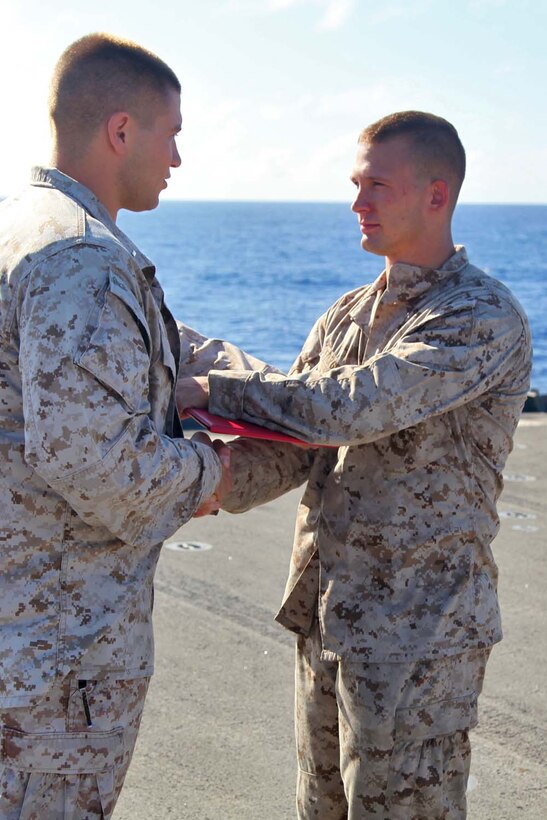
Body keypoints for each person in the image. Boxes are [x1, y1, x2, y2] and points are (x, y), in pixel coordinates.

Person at [178, 111, 532, 818]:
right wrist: (203, 482)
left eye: (376, 184)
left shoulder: (477, 316)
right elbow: (296, 445)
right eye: (354, 183)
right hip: (330, 617)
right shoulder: (347, 314)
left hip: (418, 637)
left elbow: (350, 407)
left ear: (436, 196)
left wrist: (210, 385)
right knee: (321, 807)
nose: (356, 203)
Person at [0, 32, 253, 819]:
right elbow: (98, 467)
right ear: (121, 131)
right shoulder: (81, 257)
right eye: (170, 134)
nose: (176, 158)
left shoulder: (24, 226)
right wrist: (220, 474)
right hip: (53, 669)